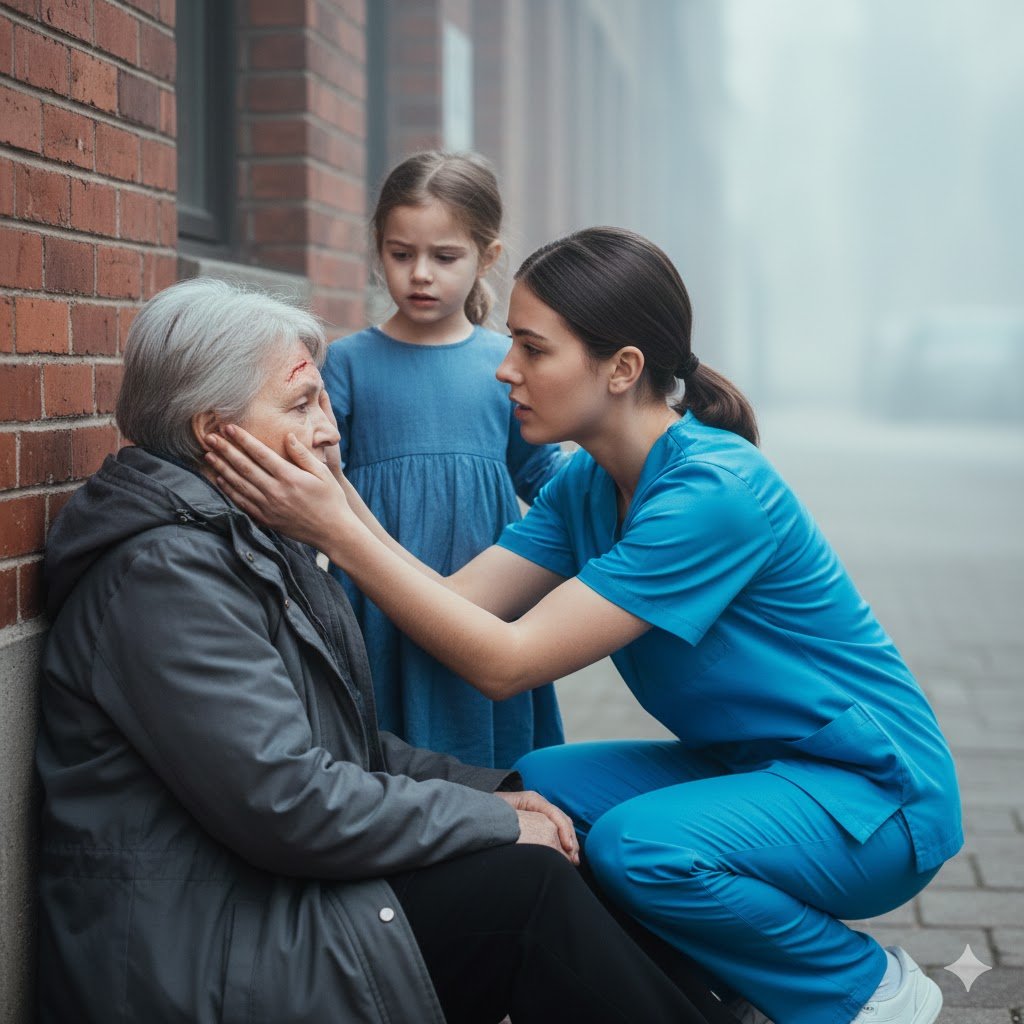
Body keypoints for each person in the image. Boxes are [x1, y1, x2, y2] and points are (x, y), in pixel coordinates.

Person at [207, 228, 964, 1024]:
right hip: (758, 768)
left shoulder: (713, 493)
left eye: (532, 349)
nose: (506, 370)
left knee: (641, 847)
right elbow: (455, 603)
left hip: (875, 799)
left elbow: (505, 662)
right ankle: (706, 993)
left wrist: (334, 531)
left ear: (622, 368)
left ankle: (864, 987)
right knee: (540, 788)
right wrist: (337, 495)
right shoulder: (589, 487)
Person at [35, 277, 733, 1024]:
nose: (332, 431)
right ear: (216, 433)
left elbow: (349, 750)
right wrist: (498, 823)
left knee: (564, 839)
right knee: (528, 894)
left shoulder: (242, 540)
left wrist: (498, 795)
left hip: (265, 896)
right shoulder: (166, 575)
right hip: (202, 951)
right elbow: (290, 804)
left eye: (324, 399)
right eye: (302, 405)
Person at [321, 150, 566, 767]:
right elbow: (322, 479)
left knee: (486, 751)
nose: (420, 274)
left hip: (485, 597)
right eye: (401, 255)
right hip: (375, 597)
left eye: (445, 257)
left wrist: (629, 483)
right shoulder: (347, 362)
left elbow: (543, 477)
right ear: (378, 250)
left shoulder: (506, 363)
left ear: (487, 258)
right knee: (380, 746)